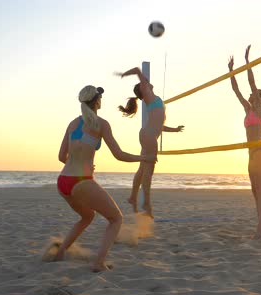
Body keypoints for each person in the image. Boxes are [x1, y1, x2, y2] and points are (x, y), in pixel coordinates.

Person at [53, 85, 155, 272]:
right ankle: (98, 263)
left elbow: (61, 157)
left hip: (63, 181)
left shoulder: (72, 124)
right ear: (97, 102)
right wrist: (144, 157)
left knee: (87, 216)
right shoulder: (101, 124)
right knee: (116, 218)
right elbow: (119, 155)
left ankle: (60, 253)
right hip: (80, 181)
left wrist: (80, 163)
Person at [115, 67, 184, 217]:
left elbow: (160, 126)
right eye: (144, 83)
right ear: (143, 87)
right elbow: (138, 70)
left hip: (147, 134)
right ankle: (146, 202)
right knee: (148, 171)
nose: (147, 82)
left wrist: (175, 129)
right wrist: (124, 74)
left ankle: (133, 197)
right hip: (148, 136)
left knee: (142, 169)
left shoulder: (151, 97)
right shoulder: (147, 93)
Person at [228, 45, 261, 240]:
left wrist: (247, 63)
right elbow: (236, 90)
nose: (249, 95)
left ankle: (260, 226)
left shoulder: (259, 111)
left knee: (260, 189)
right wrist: (231, 71)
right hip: (250, 153)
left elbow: (251, 83)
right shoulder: (247, 109)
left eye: (253, 94)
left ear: (258, 99)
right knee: (254, 190)